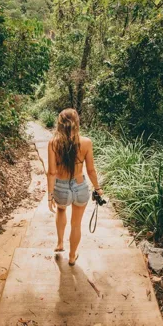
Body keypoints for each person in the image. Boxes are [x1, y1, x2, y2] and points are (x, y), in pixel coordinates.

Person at [47, 108, 103, 266]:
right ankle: (72, 256)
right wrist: (97, 188)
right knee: (76, 224)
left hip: (61, 187)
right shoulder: (86, 142)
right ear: (77, 123)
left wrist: (50, 195)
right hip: (80, 187)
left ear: (60, 123)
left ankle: (59, 243)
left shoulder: (53, 143)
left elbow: (51, 172)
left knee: (61, 210)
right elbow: (91, 170)